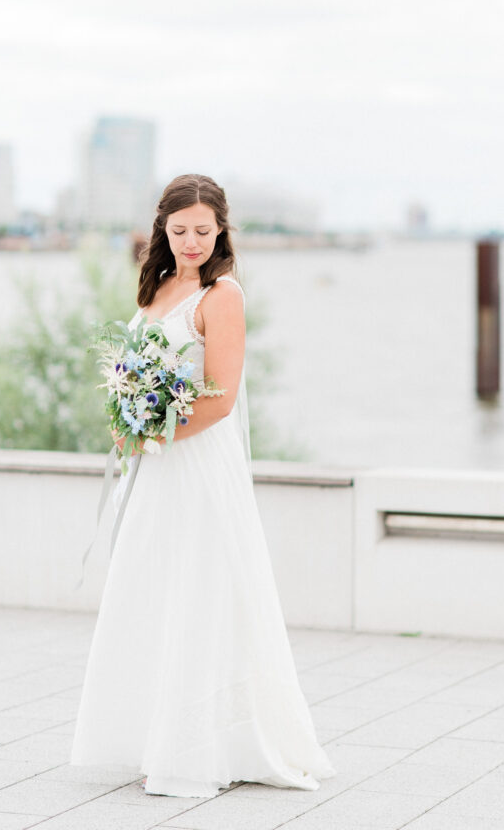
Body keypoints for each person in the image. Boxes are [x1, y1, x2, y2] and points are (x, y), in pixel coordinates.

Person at [69, 173, 336, 798]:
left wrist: (151, 431)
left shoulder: (223, 295)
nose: (191, 241)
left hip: (194, 464)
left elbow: (218, 399)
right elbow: (135, 375)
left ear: (221, 231)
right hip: (157, 466)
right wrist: (126, 416)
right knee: (155, 589)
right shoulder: (158, 287)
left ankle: (205, 743)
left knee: (201, 591)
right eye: (180, 229)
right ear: (163, 227)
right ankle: (156, 734)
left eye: (203, 230)